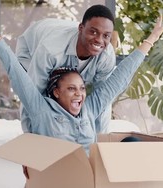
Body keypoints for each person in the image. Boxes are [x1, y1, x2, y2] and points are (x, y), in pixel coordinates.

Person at [0, 0, 163, 188]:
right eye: (71, 89)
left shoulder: (89, 108)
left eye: (81, 88)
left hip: (90, 176)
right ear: (56, 93)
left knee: (131, 144)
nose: (79, 94)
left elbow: (119, 78)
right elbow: (15, 70)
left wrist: (151, 38)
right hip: (62, 176)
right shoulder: (41, 109)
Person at [15, 4, 116, 134]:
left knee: (73, 94)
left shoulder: (106, 56)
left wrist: (100, 140)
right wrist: (29, 136)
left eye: (106, 36)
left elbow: (103, 99)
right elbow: (31, 94)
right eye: (93, 32)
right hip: (29, 50)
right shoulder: (51, 50)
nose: (99, 40)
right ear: (81, 28)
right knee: (47, 94)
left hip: (56, 39)